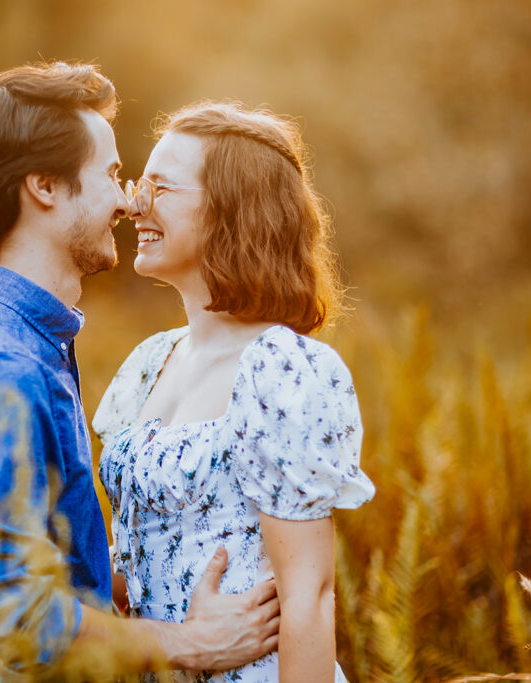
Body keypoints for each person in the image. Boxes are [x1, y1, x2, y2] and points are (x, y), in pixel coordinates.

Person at [0, 63, 279, 682]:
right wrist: (193, 641)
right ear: (44, 188)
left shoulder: (29, 340)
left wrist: (107, 586)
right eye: (111, 175)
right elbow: (13, 617)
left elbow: (7, 573)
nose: (126, 199)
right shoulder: (6, 370)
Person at [92, 101, 376, 682]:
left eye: (161, 189)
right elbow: (134, 560)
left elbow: (309, 598)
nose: (133, 203)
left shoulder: (281, 371)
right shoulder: (149, 362)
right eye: (138, 185)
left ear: (233, 212)